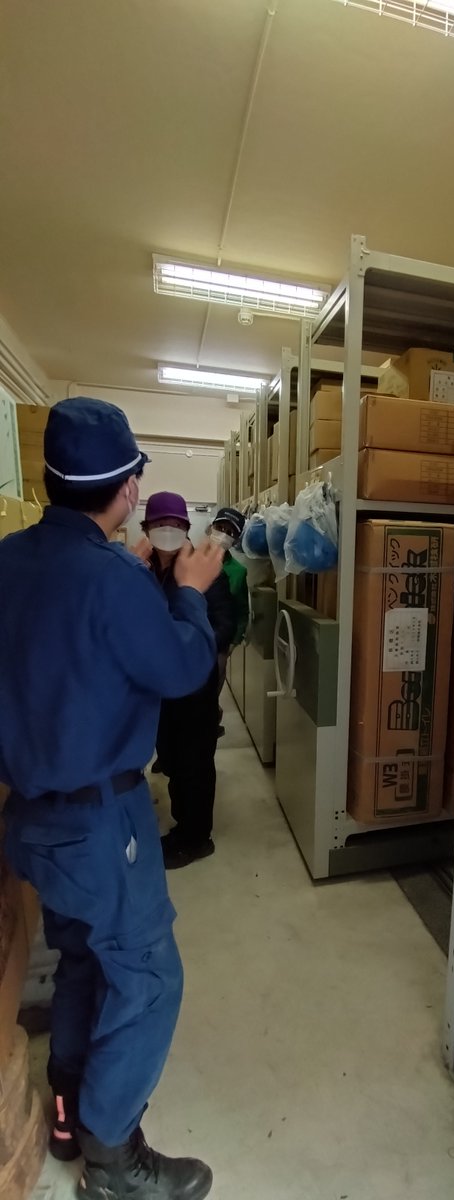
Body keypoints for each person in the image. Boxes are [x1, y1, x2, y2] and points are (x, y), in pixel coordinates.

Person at [0, 398, 223, 1200]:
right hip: (100, 822)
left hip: (31, 818)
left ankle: (67, 1111)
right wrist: (190, 590)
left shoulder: (7, 559)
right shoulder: (116, 578)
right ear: (128, 489)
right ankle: (112, 1156)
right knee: (150, 974)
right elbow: (182, 668)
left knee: (83, 959)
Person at [140, 493, 240, 869]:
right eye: (159, 524)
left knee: (194, 762)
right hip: (159, 686)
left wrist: (184, 642)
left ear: (186, 528)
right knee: (171, 755)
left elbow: (225, 625)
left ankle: (196, 838)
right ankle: (184, 823)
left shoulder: (203, 569)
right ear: (146, 529)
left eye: (175, 524)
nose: (167, 530)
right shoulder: (141, 569)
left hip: (195, 684)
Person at [207, 507, 249, 733]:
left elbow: (242, 610)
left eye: (230, 532)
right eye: (220, 527)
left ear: (236, 540)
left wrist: (234, 640)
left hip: (220, 642)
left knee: (212, 691)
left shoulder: (238, 571)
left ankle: (209, 728)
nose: (223, 534)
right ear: (211, 527)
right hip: (191, 638)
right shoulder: (191, 558)